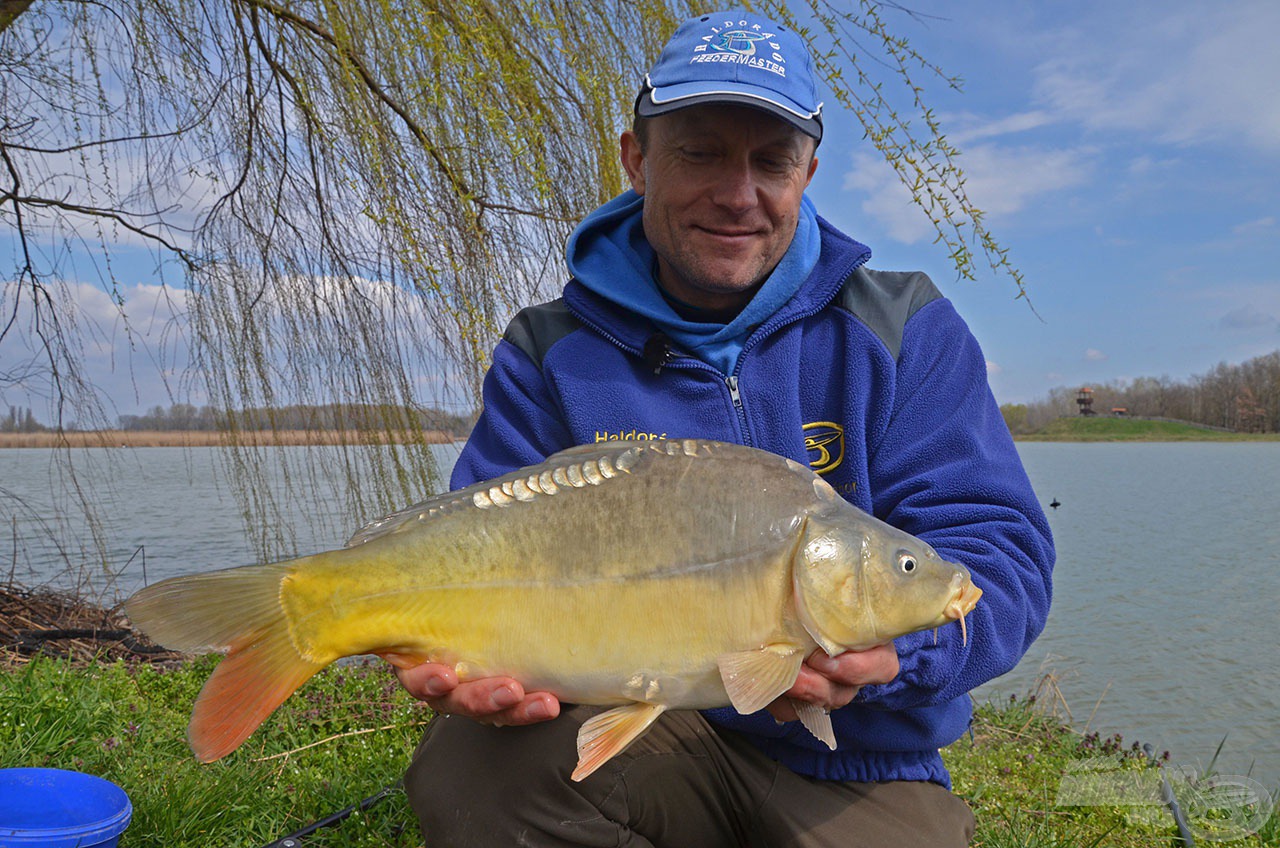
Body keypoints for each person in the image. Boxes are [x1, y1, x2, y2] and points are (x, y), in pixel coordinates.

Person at [396, 10, 1054, 847]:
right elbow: (479, 550)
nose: (738, 194)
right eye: (701, 152)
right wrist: (454, 656)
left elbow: (998, 549)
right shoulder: (551, 351)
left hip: (859, 761)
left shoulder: (902, 329)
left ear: (807, 171)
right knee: (474, 776)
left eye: (770, 160)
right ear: (637, 160)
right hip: (644, 725)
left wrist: (897, 664)